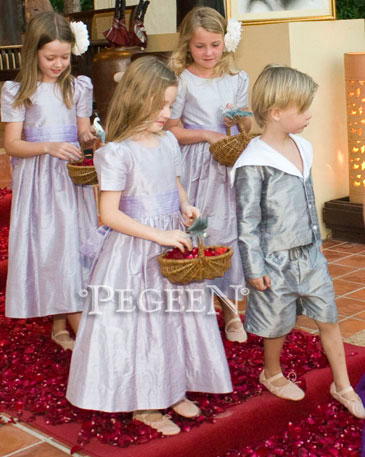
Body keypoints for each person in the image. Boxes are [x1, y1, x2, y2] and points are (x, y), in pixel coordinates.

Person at [66, 56, 232, 435]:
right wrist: (158, 235)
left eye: (171, 104)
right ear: (136, 99)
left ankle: (173, 389)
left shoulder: (168, 142)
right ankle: (145, 403)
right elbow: (108, 214)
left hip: (171, 239)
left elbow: (175, 187)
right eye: (160, 105)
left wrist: (187, 208)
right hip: (135, 252)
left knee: (176, 321)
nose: (167, 112)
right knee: (143, 325)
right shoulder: (116, 152)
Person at [232, 64, 365, 419]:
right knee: (278, 322)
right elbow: (247, 220)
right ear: (276, 113)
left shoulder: (302, 147)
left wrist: (315, 239)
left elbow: (307, 196)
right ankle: (271, 372)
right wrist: (254, 266)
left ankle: (343, 385)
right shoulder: (252, 163)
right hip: (274, 259)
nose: (309, 114)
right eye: (303, 108)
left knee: (328, 316)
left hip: (309, 254)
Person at [0, 12, 98, 351]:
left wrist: (92, 136)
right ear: (34, 54)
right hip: (40, 182)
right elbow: (12, 144)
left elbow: (82, 132)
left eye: (65, 57)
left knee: (73, 248)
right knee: (55, 249)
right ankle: (74, 330)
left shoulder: (77, 86)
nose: (58, 64)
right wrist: (48, 147)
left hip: (71, 179)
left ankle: (63, 324)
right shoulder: (19, 91)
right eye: (50, 57)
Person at [167, 7, 251, 343]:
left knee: (228, 233)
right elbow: (171, 130)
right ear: (188, 45)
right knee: (201, 232)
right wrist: (205, 134)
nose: (209, 53)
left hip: (228, 167)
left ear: (225, 42)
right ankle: (197, 310)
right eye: (200, 46)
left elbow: (247, 125)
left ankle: (231, 311)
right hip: (196, 168)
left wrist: (236, 121)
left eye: (215, 45)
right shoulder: (181, 81)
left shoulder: (236, 78)